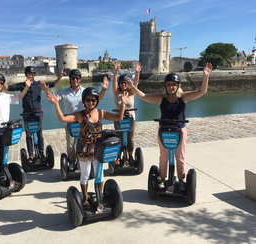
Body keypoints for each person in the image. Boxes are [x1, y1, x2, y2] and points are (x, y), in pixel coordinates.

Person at [125, 62, 213, 190]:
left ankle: (182, 180)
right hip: (164, 131)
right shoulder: (161, 98)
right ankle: (161, 178)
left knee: (180, 157)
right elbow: (143, 96)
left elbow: (202, 91)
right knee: (164, 156)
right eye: (169, 85)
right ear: (165, 86)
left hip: (179, 130)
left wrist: (206, 76)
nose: (171, 87)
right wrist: (132, 87)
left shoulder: (184, 97)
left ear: (178, 86)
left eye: (173, 84)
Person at [46, 87, 128, 207]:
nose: (91, 102)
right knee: (85, 174)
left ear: (97, 101)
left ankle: (100, 195)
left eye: (93, 100)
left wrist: (123, 104)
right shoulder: (80, 115)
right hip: (84, 150)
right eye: (88, 100)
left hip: (99, 149)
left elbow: (119, 117)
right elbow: (62, 118)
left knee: (99, 174)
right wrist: (56, 104)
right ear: (84, 101)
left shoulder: (101, 113)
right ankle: (85, 197)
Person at [4, 66, 66, 163]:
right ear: (26, 74)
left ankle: (41, 153)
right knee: (28, 135)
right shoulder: (22, 85)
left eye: (32, 74)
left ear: (35, 75)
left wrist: (60, 76)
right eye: (29, 73)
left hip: (38, 112)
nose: (31, 75)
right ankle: (31, 155)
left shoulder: (39, 84)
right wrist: (1, 79)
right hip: (27, 113)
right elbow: (8, 88)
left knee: (39, 134)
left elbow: (54, 84)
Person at [53, 69, 108, 169]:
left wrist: (103, 89)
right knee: (70, 144)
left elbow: (98, 97)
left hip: (84, 123)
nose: (75, 80)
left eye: (77, 78)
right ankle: (72, 161)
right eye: (73, 78)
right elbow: (55, 99)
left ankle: (83, 161)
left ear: (80, 80)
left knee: (85, 142)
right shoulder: (64, 92)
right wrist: (50, 95)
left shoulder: (85, 91)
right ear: (70, 79)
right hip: (70, 122)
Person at [112, 61, 142, 165]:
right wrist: (116, 71)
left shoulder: (131, 92)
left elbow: (136, 83)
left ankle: (130, 156)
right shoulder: (116, 93)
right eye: (122, 83)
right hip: (118, 118)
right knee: (118, 137)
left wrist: (137, 73)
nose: (123, 84)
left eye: (125, 83)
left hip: (130, 118)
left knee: (130, 138)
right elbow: (114, 82)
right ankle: (118, 157)